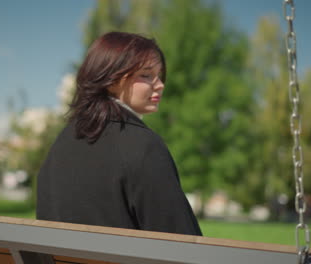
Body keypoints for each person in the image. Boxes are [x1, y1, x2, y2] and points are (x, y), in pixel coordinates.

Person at [37, 32, 202, 236]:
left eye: (159, 76)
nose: (160, 84)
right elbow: (183, 241)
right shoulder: (142, 145)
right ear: (111, 79)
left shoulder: (63, 141)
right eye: (146, 75)